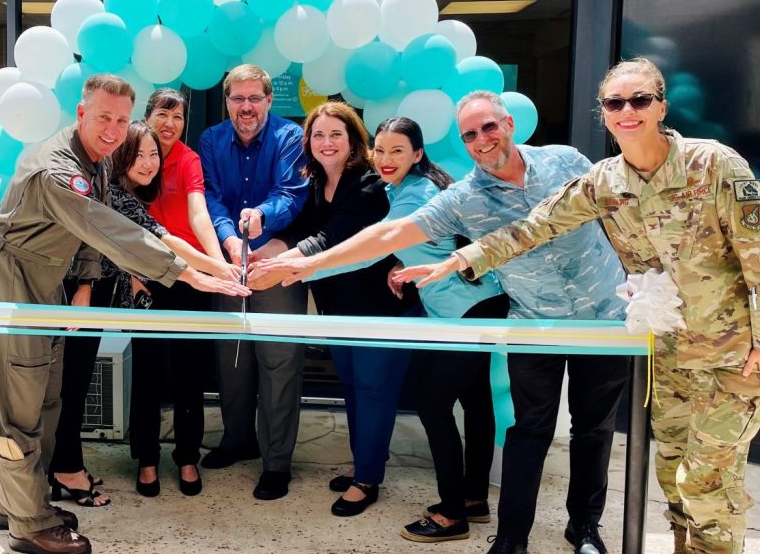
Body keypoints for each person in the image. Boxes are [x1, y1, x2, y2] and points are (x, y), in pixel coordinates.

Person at [399, 59, 760, 554]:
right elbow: (534, 227)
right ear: (603, 113)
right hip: (665, 356)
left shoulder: (715, 164)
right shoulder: (605, 181)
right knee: (674, 475)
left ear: (660, 104)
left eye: (640, 99)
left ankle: (616, 533)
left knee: (707, 482)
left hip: (729, 355)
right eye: (615, 102)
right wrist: (461, 259)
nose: (627, 110)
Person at [258, 91, 629, 554]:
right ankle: (506, 535)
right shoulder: (463, 197)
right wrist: (306, 267)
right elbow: (387, 235)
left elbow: (620, 215)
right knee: (528, 430)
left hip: (604, 316)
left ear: (509, 124)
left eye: (488, 128)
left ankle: (584, 528)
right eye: (470, 134)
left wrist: (641, 280)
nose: (481, 141)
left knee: (593, 430)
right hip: (533, 321)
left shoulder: (565, 161)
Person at [0, 74, 249, 554]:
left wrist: (83, 283)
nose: (114, 129)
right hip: (14, 281)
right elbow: (105, 228)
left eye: (122, 120)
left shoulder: (95, 160)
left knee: (46, 397)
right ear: (82, 113)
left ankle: (21, 501)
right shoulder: (60, 170)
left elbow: (85, 236)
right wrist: (182, 271)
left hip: (46, 279)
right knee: (21, 403)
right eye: (104, 117)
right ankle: (28, 525)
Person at [270, 116, 509, 538]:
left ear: (417, 154)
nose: (384, 158)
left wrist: (299, 268)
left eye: (397, 150)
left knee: (434, 404)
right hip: (473, 305)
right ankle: (474, 500)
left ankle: (452, 514)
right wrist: (403, 263)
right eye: (379, 150)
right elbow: (429, 241)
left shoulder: (415, 191)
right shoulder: (402, 186)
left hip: (468, 308)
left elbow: (373, 246)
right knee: (474, 400)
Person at [47, 121, 237, 507]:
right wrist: (218, 270)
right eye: (139, 154)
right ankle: (65, 470)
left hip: (95, 291)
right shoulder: (115, 193)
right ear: (121, 156)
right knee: (69, 382)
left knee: (77, 380)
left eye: (154, 155)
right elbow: (156, 240)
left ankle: (68, 466)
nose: (149, 163)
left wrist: (132, 275)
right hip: (79, 293)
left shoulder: (122, 190)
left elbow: (124, 244)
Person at [256, 103, 416, 517]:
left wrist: (284, 264)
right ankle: (365, 465)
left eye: (336, 135)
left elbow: (331, 236)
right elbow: (299, 229)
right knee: (353, 389)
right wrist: (264, 252)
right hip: (338, 309)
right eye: (318, 135)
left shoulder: (367, 184)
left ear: (352, 141)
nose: (326, 143)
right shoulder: (311, 184)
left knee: (373, 392)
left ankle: (367, 481)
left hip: (378, 309)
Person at [198, 63, 310, 501]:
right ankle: (237, 438)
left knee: (279, 364)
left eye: (254, 98)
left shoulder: (290, 138)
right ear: (227, 101)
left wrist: (262, 216)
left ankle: (276, 461)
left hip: (277, 266)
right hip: (229, 265)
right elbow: (209, 195)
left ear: (268, 100)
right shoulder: (210, 139)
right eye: (237, 98)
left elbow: (291, 192)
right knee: (233, 359)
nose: (246, 107)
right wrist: (227, 237)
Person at [138, 88, 237, 497]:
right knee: (146, 372)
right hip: (144, 275)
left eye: (178, 117)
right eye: (163, 114)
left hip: (190, 277)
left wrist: (218, 265)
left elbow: (199, 212)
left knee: (189, 372)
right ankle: (146, 458)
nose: (170, 124)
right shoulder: (132, 153)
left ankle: (187, 456)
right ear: (148, 116)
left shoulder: (188, 159)